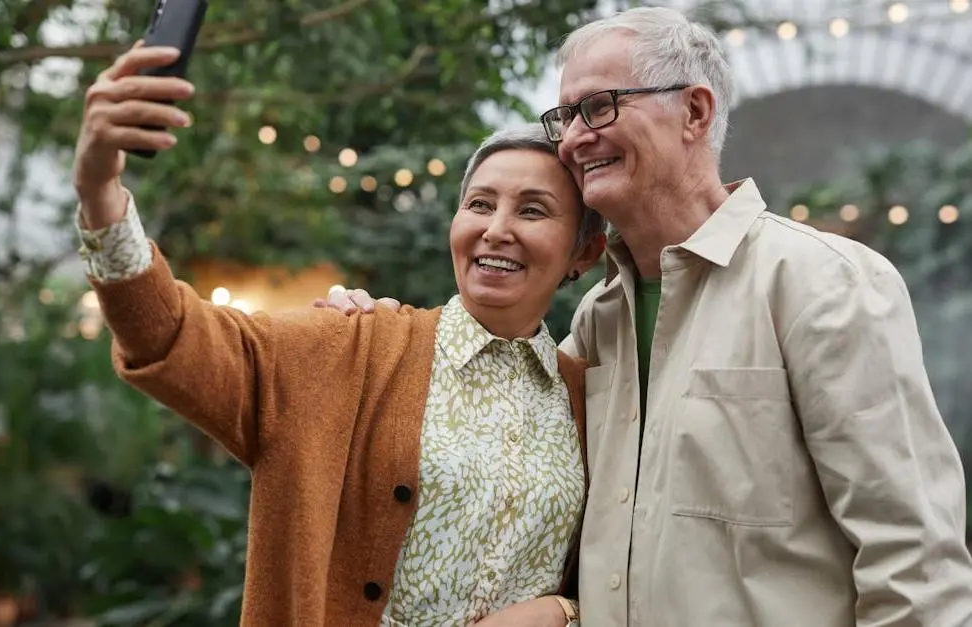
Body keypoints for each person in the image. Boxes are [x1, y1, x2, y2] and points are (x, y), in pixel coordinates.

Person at [321, 7, 972, 627]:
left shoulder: (822, 282)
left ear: (694, 111)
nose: (575, 138)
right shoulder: (594, 326)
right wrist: (376, 340)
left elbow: (915, 562)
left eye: (599, 106)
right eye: (566, 115)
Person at [71, 44, 607, 627]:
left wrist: (564, 610)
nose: (496, 230)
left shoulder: (593, 397)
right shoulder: (349, 347)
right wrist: (100, 192)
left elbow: (627, 564)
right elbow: (170, 337)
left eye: (533, 211)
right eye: (479, 204)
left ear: (584, 251)